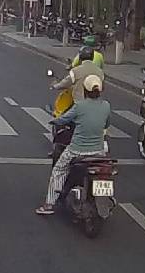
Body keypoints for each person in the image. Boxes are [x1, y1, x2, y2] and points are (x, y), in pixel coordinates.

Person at [36, 74, 110, 215]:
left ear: (85, 90)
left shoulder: (79, 106)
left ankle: (49, 205)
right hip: (99, 151)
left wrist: (54, 121)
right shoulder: (106, 106)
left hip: (77, 150)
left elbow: (64, 119)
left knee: (58, 170)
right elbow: (107, 124)